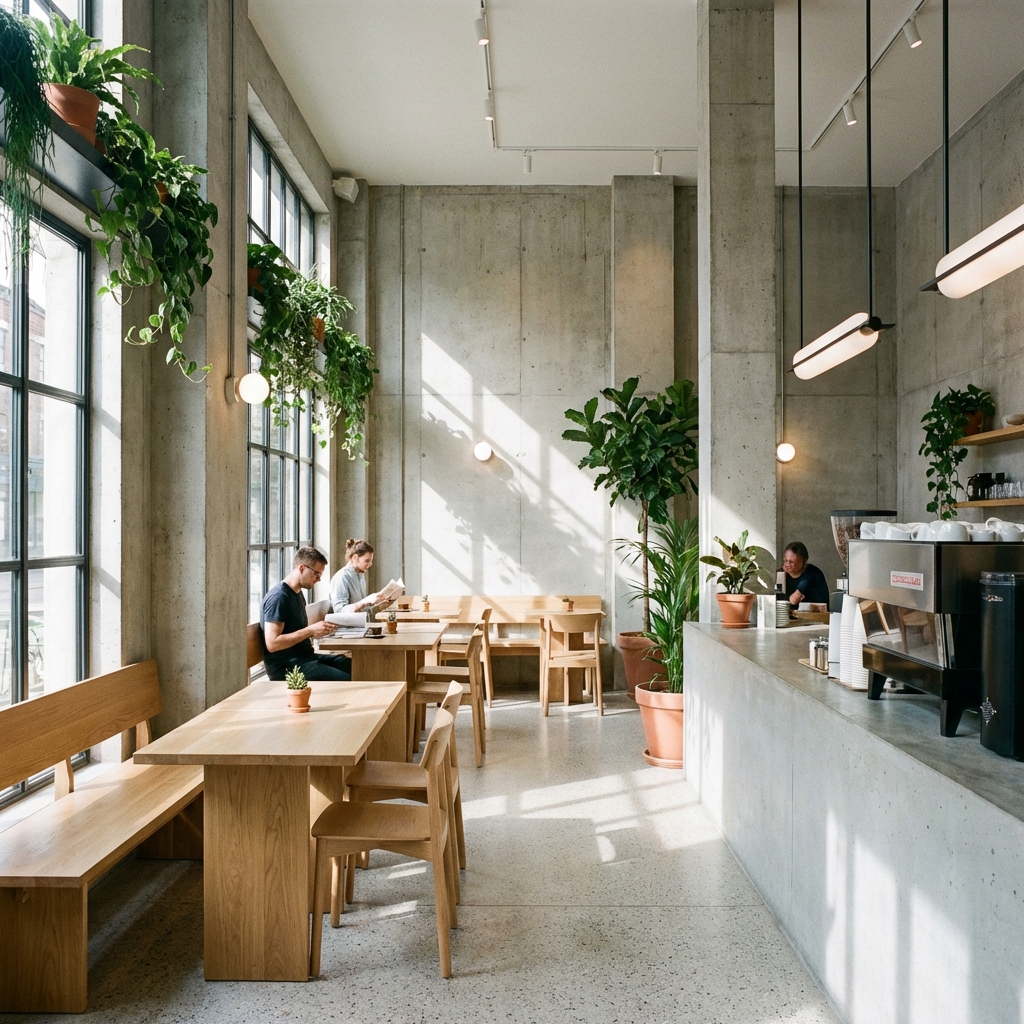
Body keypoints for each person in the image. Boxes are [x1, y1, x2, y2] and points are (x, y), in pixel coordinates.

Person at [262, 547, 352, 680]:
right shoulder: (279, 597)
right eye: (317, 574)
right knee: (347, 678)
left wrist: (316, 631)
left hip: (305, 659)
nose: (319, 579)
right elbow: (272, 643)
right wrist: (310, 631)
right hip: (288, 667)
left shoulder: (297, 593)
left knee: (354, 665)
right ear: (302, 568)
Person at [329, 538, 380, 614]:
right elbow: (339, 611)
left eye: (371, 561)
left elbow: (363, 609)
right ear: (355, 558)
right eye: (367, 561)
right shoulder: (341, 577)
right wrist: (363, 603)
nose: (370, 564)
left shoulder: (360, 574)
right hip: (347, 625)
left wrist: (381, 604)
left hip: (358, 622)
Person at [781, 542, 830, 607]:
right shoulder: (781, 574)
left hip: (814, 614)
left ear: (803, 561)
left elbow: (793, 599)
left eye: (791, 562)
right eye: (786, 561)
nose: (787, 564)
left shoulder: (813, 573)